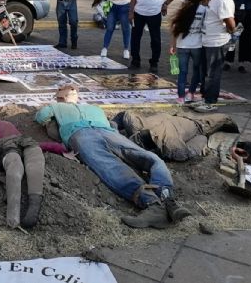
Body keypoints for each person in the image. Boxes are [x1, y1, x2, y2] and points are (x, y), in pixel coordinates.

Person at [35, 85, 191, 229]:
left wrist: (51, 113)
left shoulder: (59, 107)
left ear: (60, 98)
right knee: (112, 165)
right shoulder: (94, 109)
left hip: (87, 134)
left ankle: (167, 201)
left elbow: (41, 116)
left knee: (123, 162)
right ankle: (155, 204)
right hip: (93, 133)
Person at [194, 0, 236, 113]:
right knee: (206, 72)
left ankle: (210, 101)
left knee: (212, 73)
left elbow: (230, 23)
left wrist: (230, 33)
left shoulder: (223, 0)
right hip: (208, 40)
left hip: (217, 42)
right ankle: (205, 97)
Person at [170, 0, 209, 104]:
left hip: (182, 44)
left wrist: (172, 45)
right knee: (196, 70)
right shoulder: (205, 10)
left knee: (182, 72)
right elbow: (206, 28)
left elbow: (175, 28)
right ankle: (191, 93)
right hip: (197, 44)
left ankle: (180, 96)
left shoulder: (185, 9)